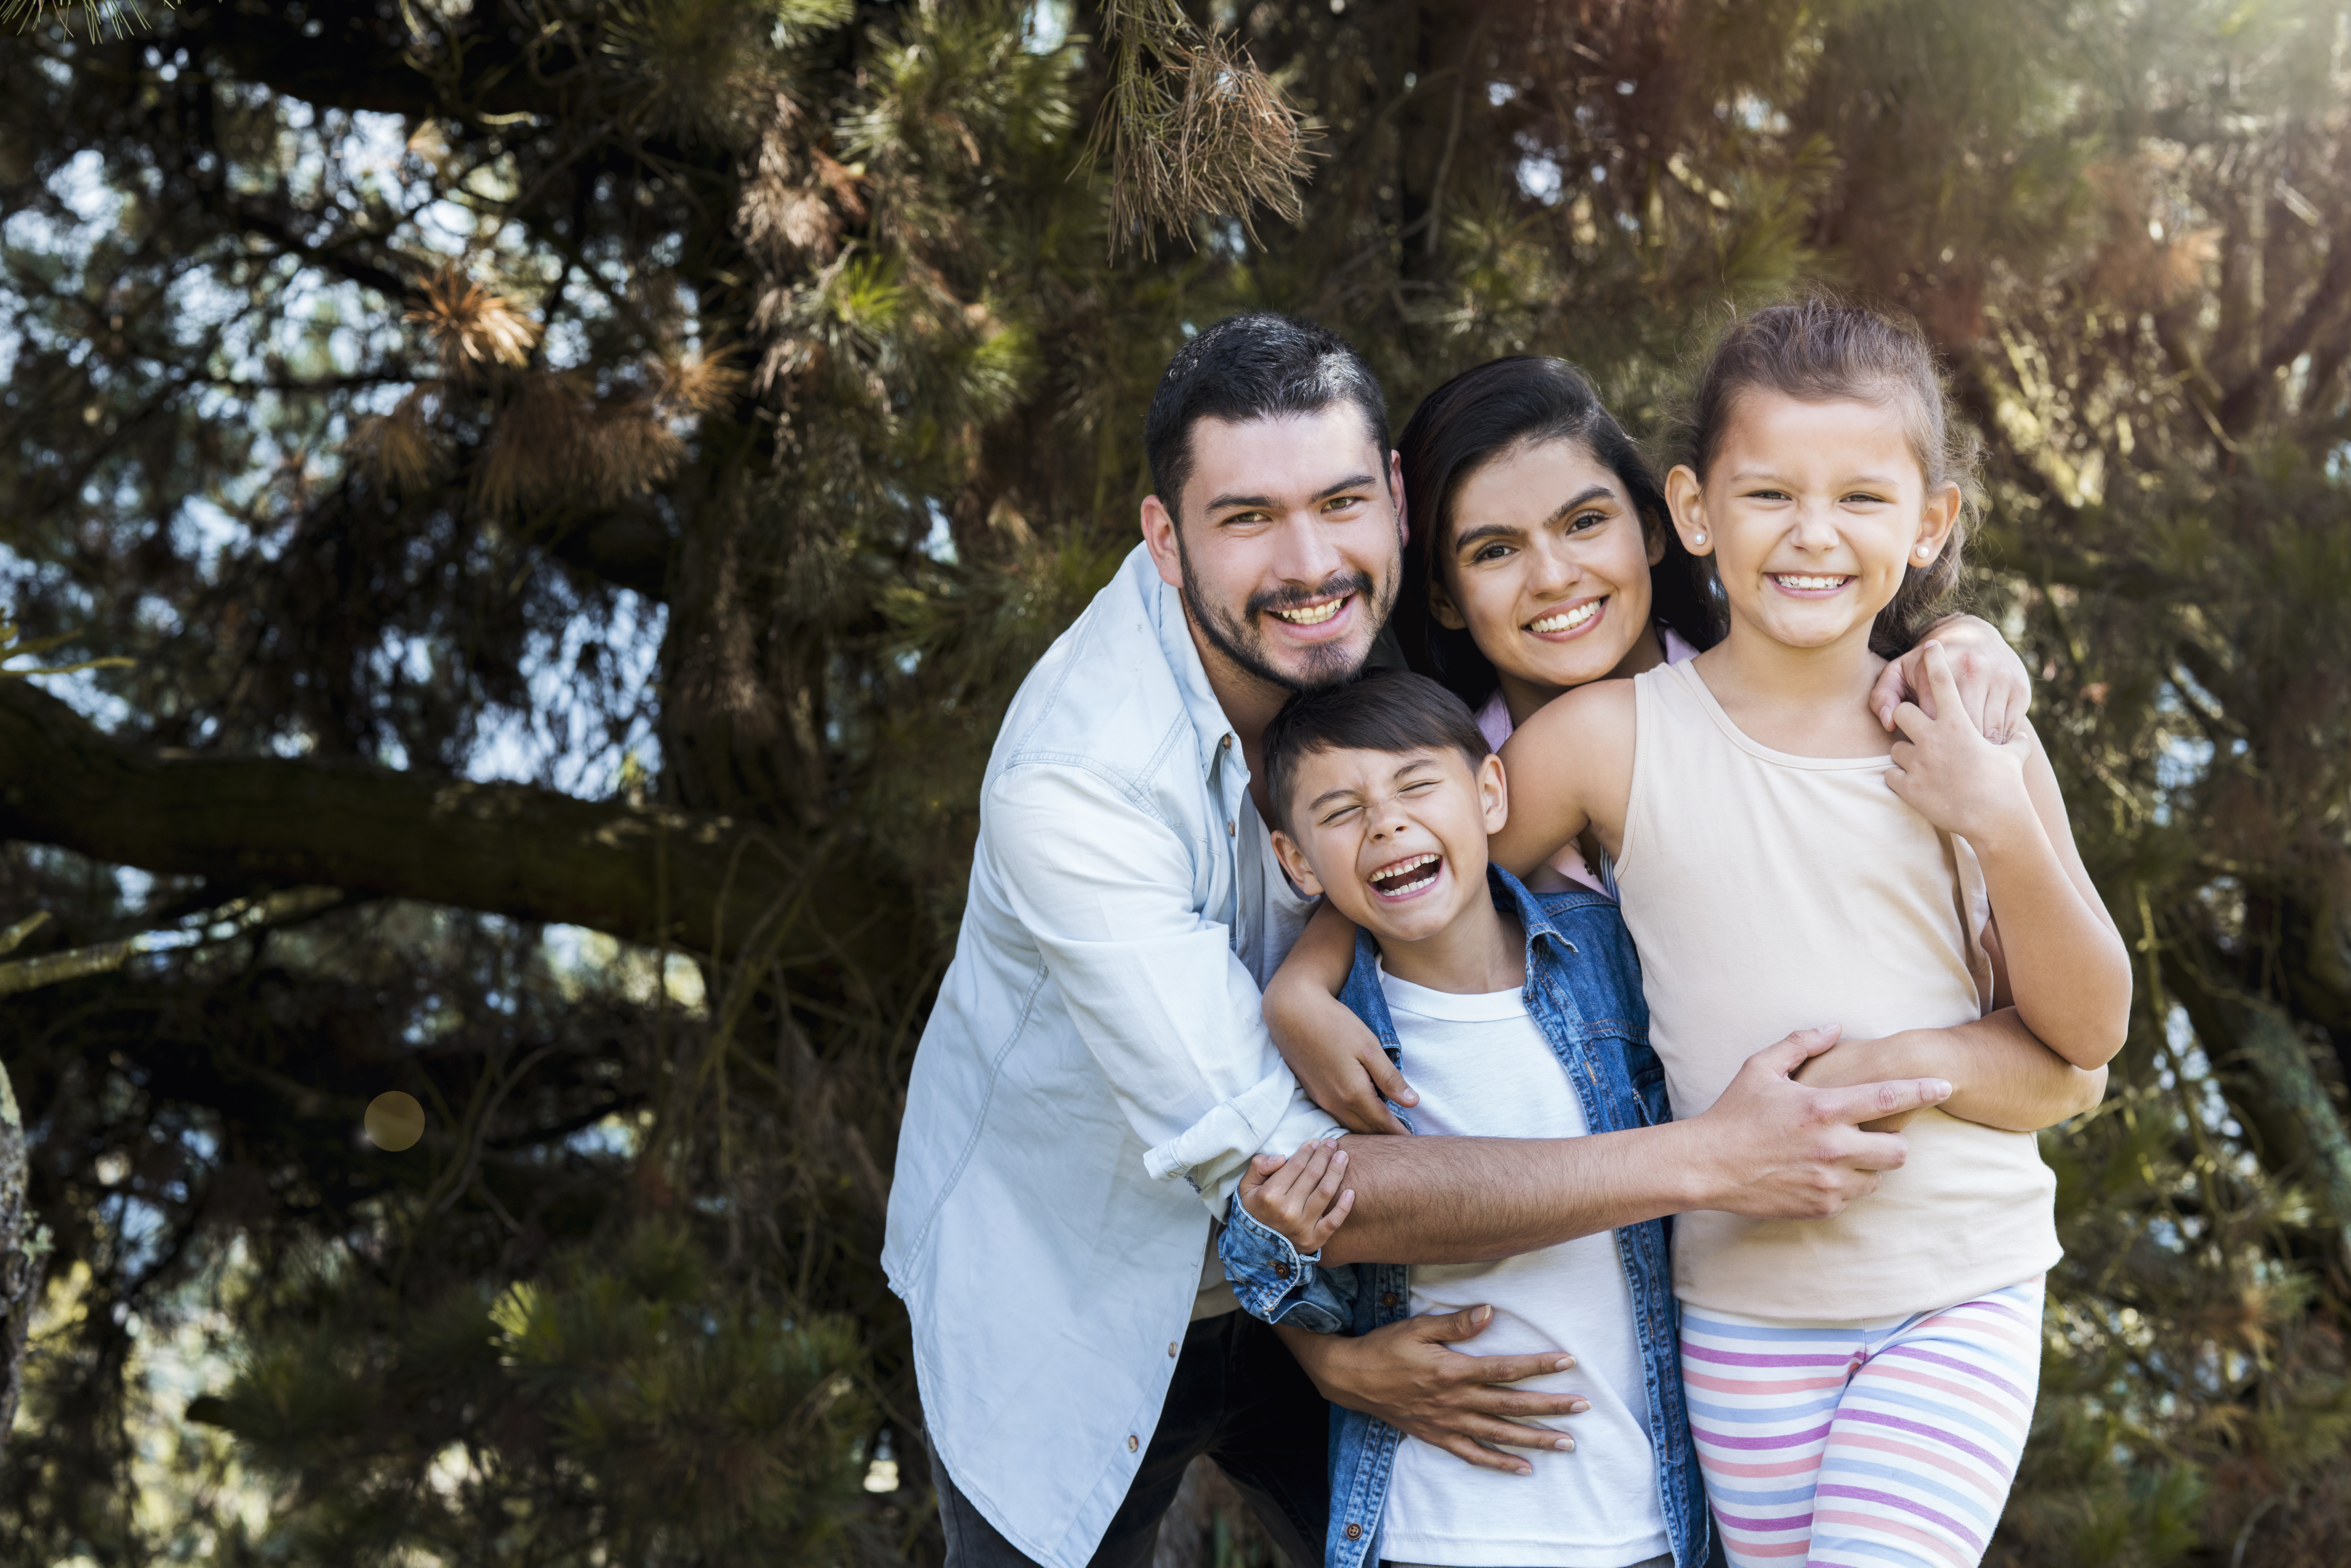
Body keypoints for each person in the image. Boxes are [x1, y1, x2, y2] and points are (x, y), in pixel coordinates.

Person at [882, 312, 2024, 1568]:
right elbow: (1288, 1180)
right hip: (1081, 1278)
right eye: (1246, 518)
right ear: (1164, 539)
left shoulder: (1410, 707)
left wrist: (1955, 640)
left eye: (1336, 503)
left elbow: (1836, 652)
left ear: (1391, 505)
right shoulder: (1081, 782)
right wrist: (1704, 1160)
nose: (1307, 561)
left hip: (1462, 1281)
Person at [1473, 299, 2131, 1567]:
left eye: (1861, 501)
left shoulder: (1964, 732)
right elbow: (1420, 886)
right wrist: (1313, 980)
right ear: (1693, 510)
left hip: (1955, 1283)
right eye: (1768, 493)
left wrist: (1993, 816)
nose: (1812, 536)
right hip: (1740, 1311)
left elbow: (2089, 1028)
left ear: (1930, 524)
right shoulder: (1609, 739)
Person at [1269, 355, 2102, 1142]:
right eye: (1495, 550)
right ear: (1445, 598)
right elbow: (1386, 888)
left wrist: (1966, 634)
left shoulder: (1844, 709)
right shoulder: (1437, 787)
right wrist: (1306, 980)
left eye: (1586, 522)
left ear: (1662, 529)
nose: (1554, 576)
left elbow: (2073, 1069)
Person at [1235, 669, 1704, 1568]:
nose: (1387, 823)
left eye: (1417, 785)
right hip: (1435, 1525)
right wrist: (1300, 1292)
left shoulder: (1608, 952)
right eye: (1340, 812)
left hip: (1647, 1519)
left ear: (1491, 792)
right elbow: (1260, 1252)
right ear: (1296, 861)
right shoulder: (1325, 1038)